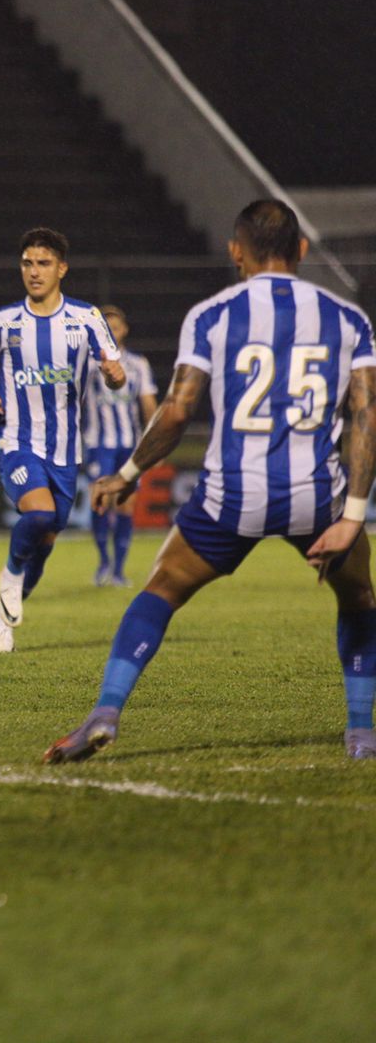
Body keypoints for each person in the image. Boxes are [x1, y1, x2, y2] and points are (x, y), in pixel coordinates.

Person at [47, 199, 376, 763]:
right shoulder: (348, 318)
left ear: (235, 251)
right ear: (300, 250)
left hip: (231, 498)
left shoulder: (211, 315)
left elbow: (176, 412)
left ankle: (105, 712)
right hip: (317, 499)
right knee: (359, 597)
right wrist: (353, 517)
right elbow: (367, 416)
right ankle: (362, 734)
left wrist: (127, 474)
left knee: (160, 591)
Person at [0, 228, 126, 653]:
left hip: (65, 450)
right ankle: (9, 575)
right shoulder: (2, 322)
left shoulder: (88, 318)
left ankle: (2, 619)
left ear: (62, 269)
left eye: (43, 263)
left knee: (48, 538)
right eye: (27, 263)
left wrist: (115, 376)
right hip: (16, 438)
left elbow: (115, 371)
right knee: (37, 515)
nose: (34, 272)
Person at [81, 305, 158, 586]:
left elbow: (149, 405)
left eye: (115, 328)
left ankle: (118, 570)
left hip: (129, 445)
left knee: (125, 503)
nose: (112, 334)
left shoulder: (138, 364)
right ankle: (103, 562)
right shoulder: (87, 364)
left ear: (124, 331)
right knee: (100, 502)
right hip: (98, 445)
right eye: (106, 329)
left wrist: (155, 444)